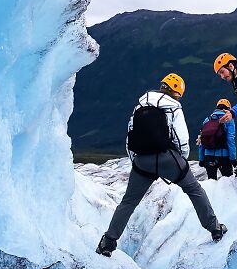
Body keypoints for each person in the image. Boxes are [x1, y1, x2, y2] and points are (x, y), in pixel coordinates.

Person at [96, 73, 227, 256]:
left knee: (128, 202)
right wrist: (180, 162)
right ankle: (215, 229)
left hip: (142, 161)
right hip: (168, 159)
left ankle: (107, 242)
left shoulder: (140, 105)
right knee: (194, 190)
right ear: (177, 92)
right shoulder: (174, 108)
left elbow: (130, 136)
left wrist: (137, 161)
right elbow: (182, 140)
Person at [198, 98, 237, 179]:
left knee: (211, 182)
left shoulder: (207, 120)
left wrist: (201, 159)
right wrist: (233, 159)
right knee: (228, 183)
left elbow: (201, 140)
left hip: (208, 156)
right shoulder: (229, 120)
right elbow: (230, 139)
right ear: (228, 108)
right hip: (223, 156)